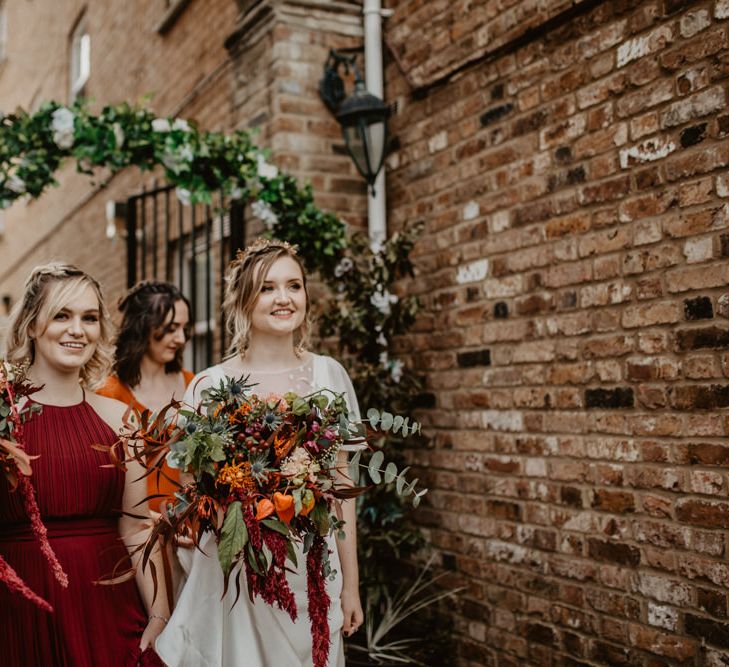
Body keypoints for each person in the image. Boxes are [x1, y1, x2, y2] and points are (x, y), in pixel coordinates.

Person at [155, 238, 364, 667]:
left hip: (312, 568)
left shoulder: (330, 375)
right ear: (243, 299)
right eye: (268, 288)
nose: (284, 298)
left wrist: (352, 586)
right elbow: (195, 494)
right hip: (235, 572)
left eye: (294, 285)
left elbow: (343, 487)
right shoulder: (209, 386)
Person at [0, 264, 169, 667]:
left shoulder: (120, 419)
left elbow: (137, 528)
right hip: (18, 611)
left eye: (89, 318)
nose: (77, 329)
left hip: (107, 608)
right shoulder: (3, 415)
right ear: (31, 325)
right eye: (62, 315)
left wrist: (161, 615)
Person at [97, 280, 194, 503]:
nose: (180, 339)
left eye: (183, 328)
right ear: (143, 326)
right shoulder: (111, 393)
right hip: (140, 528)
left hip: (194, 525)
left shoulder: (193, 384)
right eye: (171, 328)